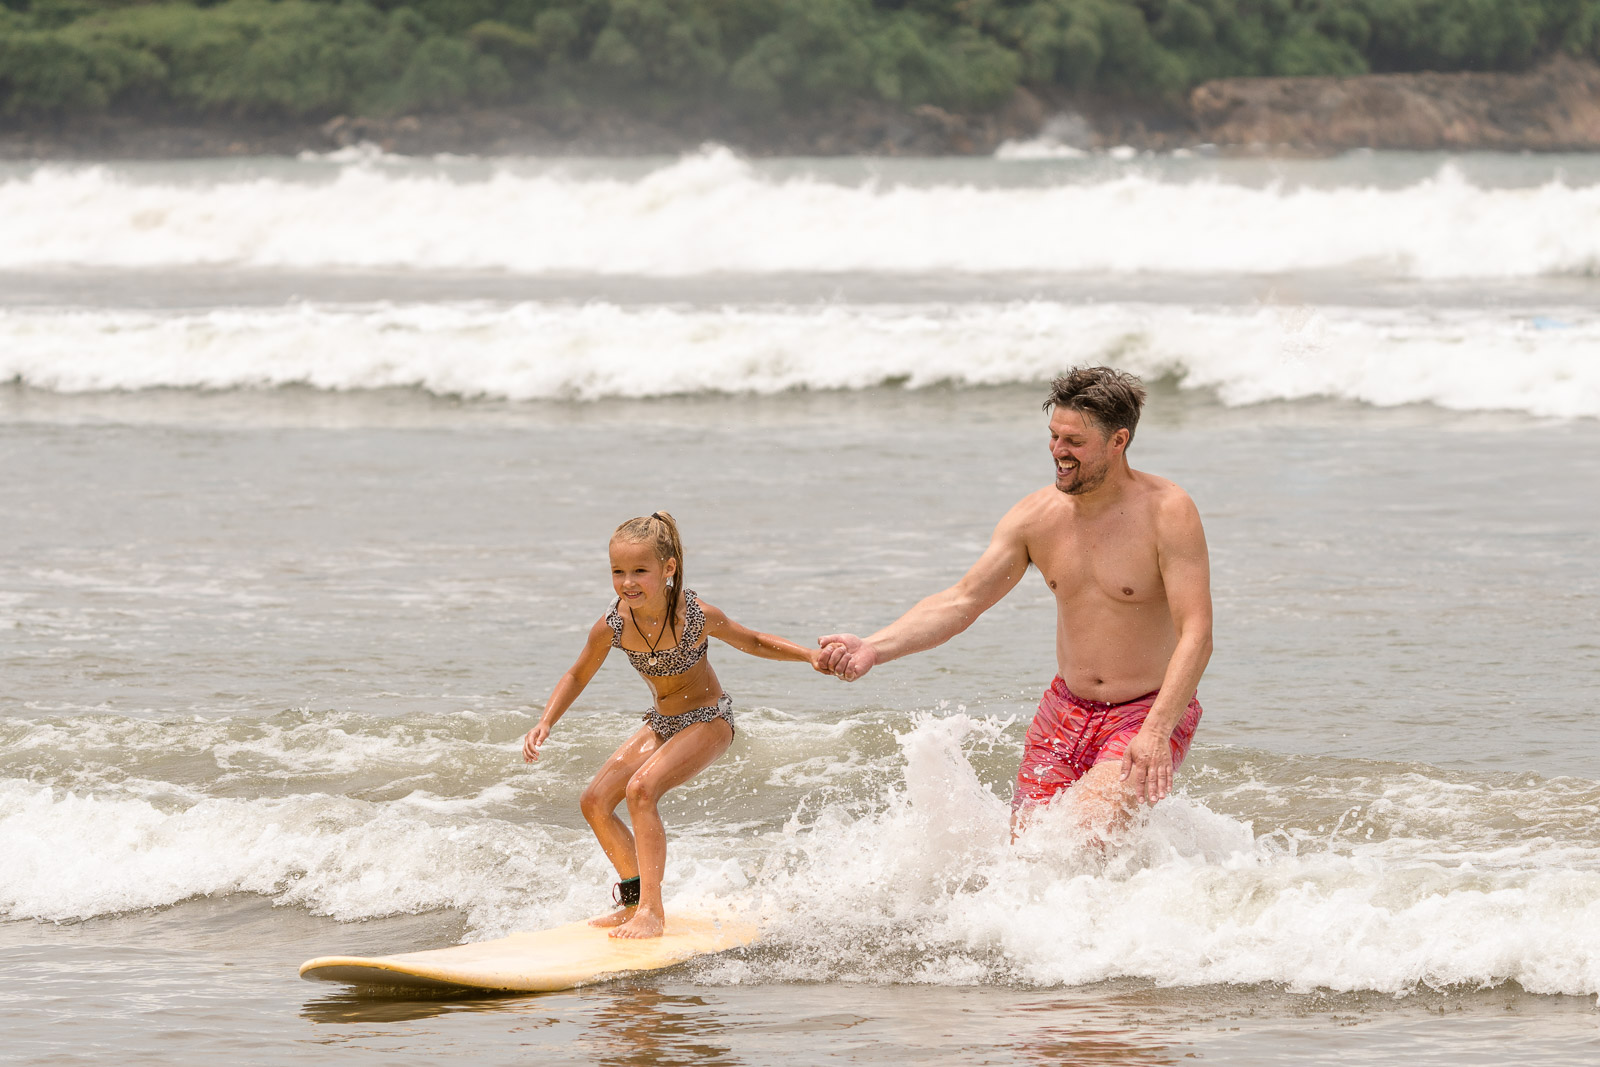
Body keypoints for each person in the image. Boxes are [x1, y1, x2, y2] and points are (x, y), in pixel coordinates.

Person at [816, 367, 1212, 834]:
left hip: (1145, 710)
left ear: (1118, 441)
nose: (1058, 452)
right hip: (1064, 710)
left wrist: (1157, 731)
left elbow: (1197, 634)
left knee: (1079, 839)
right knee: (1027, 853)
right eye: (1053, 437)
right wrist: (874, 648)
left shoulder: (1168, 511)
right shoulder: (1036, 518)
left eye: (1074, 442)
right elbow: (961, 601)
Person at [521, 511, 821, 939]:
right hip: (664, 721)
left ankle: (652, 913)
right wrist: (545, 722)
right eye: (618, 572)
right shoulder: (614, 625)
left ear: (668, 569)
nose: (628, 582)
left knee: (641, 791)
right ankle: (632, 901)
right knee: (594, 801)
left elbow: (751, 640)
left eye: (640, 571)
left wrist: (809, 655)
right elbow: (577, 674)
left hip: (709, 719)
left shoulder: (695, 615)